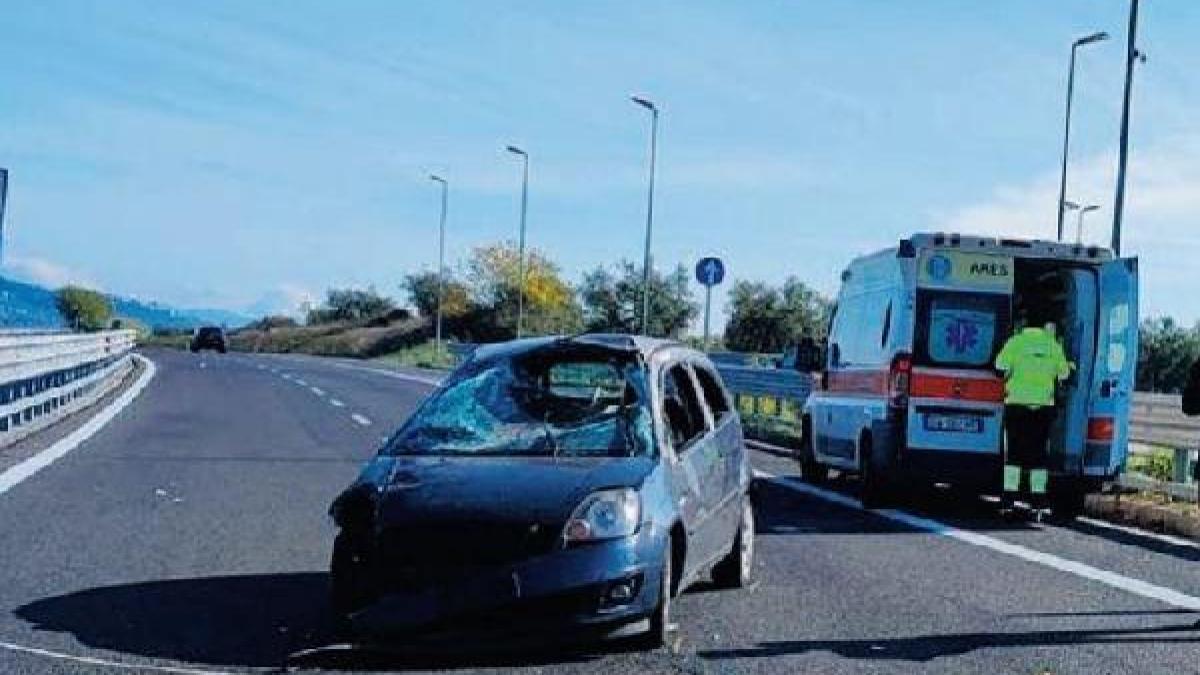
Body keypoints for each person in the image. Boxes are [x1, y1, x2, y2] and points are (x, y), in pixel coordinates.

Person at [995, 310, 1072, 513]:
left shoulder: (1016, 342)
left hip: (1017, 406)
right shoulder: (1052, 345)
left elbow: (999, 367)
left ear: (1024, 324)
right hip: (1042, 409)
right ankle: (1037, 501)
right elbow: (1064, 374)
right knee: (1039, 456)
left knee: (1014, 455)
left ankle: (1009, 500)